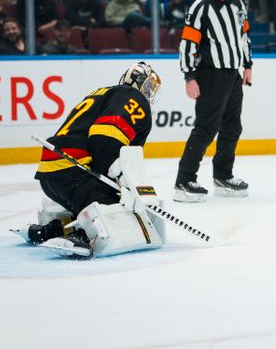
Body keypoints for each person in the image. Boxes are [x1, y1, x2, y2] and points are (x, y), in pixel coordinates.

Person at [13, 62, 164, 258]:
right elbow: (106, 136)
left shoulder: (102, 93)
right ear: (140, 85)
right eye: (149, 87)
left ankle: (51, 230)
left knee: (104, 200)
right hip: (75, 172)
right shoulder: (133, 97)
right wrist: (121, 179)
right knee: (118, 211)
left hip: (53, 173)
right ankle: (82, 236)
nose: (150, 93)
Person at [175, 0, 252, 202]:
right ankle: (184, 180)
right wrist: (190, 76)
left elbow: (244, 36)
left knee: (232, 127)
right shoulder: (200, 6)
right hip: (210, 75)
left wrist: (248, 65)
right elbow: (187, 44)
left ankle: (223, 175)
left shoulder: (240, 2)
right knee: (206, 128)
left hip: (233, 75)